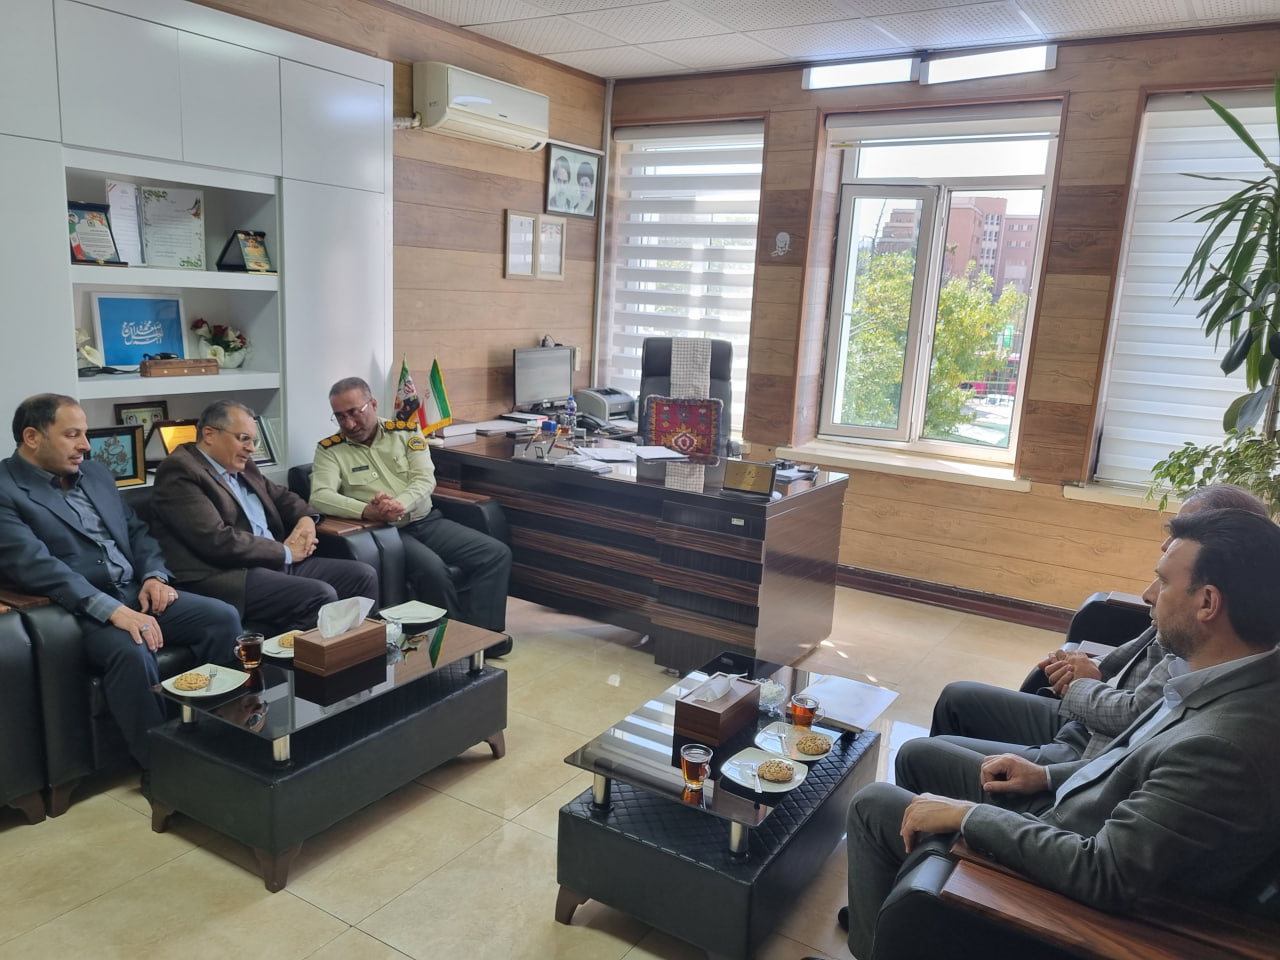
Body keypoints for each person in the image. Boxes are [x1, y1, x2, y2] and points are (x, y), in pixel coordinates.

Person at [832, 508, 1280, 960]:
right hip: (1069, 809)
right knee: (919, 757)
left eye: (1163, 582)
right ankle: (888, 923)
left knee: (873, 805)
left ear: (1208, 603)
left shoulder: (1221, 746)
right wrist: (1046, 776)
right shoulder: (1219, 681)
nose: (1148, 594)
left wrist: (968, 816)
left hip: (1062, 865)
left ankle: (878, 944)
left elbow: (1103, 872)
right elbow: (1127, 765)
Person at [896, 484, 1269, 799]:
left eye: (1186, 531)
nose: (1166, 543)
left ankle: (944, 829)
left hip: (1089, 752)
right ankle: (938, 821)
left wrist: (1081, 684)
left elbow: (1133, 719)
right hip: (1086, 723)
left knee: (916, 755)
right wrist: (1082, 667)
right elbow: (1130, 656)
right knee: (958, 697)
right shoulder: (1188, 606)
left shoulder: (1204, 639)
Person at [0, 394, 241, 770]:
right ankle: (163, 769)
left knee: (222, 618)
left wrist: (154, 576)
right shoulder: (6, 490)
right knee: (133, 648)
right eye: (72, 434)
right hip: (74, 611)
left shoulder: (95, 474)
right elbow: (36, 566)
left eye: (85, 434)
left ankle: (215, 737)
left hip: (134, 592)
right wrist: (113, 611)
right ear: (32, 437)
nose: (85, 445)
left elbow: (137, 532)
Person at [148, 400, 378, 637]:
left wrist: (306, 520)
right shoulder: (181, 470)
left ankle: (357, 654)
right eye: (243, 438)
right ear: (209, 435)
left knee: (362, 576)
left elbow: (284, 497)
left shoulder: (243, 464)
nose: (250, 448)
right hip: (228, 573)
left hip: (272, 562)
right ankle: (286, 657)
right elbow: (216, 540)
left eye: (253, 441)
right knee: (319, 594)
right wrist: (285, 552)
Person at [309, 377, 513, 643]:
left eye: (354, 412)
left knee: (495, 553)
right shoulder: (330, 450)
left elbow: (425, 479)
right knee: (433, 571)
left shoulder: (405, 432)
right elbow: (320, 496)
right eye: (339, 416)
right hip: (386, 534)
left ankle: (483, 637)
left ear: (373, 404)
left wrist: (399, 504)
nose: (348, 424)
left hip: (426, 521)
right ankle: (450, 643)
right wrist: (367, 511)